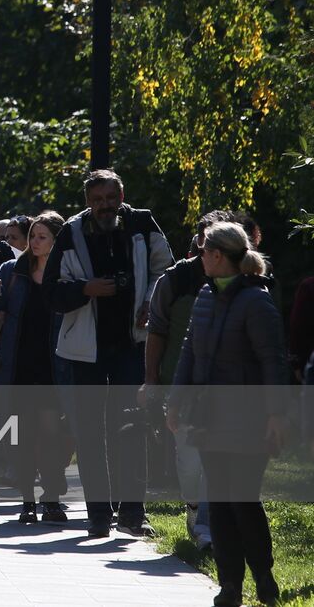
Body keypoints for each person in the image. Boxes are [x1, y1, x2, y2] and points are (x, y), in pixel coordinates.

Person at [45, 169, 173, 538]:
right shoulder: (71, 232)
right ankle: (98, 514)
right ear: (87, 202)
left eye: (110, 198)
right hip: (84, 350)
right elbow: (51, 292)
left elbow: (164, 270)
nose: (105, 206)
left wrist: (150, 301)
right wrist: (86, 289)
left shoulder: (142, 223)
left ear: (121, 195)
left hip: (131, 344)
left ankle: (134, 512)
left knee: (132, 428)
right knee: (88, 431)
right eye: (97, 200)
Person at [167, 222, 288, 607]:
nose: (199, 257)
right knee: (218, 500)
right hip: (209, 417)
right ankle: (230, 586)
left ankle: (264, 576)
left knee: (242, 499)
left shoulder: (256, 300)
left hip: (248, 419)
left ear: (218, 255)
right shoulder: (205, 295)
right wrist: (175, 400)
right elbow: (189, 352)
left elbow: (273, 361)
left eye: (203, 251)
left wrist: (275, 414)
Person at [143, 209, 240, 551]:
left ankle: (208, 527)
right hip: (181, 384)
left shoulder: (250, 280)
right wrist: (152, 379)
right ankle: (195, 506)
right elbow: (157, 330)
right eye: (204, 239)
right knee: (187, 461)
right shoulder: (175, 280)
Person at [0, 211, 68, 524]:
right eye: (33, 236)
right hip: (18, 362)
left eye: (41, 237)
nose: (34, 243)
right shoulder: (13, 270)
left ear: (56, 241)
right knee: (21, 434)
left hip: (53, 364)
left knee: (51, 433)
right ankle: (27, 501)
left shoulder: (65, 271)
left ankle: (51, 497)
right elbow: (1, 317)